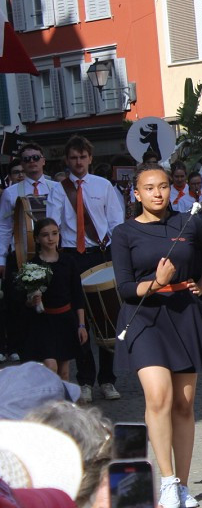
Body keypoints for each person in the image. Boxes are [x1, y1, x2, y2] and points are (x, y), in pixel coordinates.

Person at [112, 162, 202, 508]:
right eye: (149, 188)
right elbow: (123, 288)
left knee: (183, 404)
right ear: (136, 194)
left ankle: (182, 484)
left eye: (163, 186)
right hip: (144, 318)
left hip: (184, 315)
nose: (157, 193)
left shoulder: (187, 222)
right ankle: (166, 481)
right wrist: (156, 283)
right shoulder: (124, 233)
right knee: (159, 397)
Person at [46, 136, 125, 404]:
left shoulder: (104, 186)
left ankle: (107, 379)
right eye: (73, 158)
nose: (78, 162)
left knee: (106, 319)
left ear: (90, 158)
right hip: (70, 258)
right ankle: (85, 380)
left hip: (100, 255)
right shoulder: (59, 189)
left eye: (82, 157)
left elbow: (116, 223)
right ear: (66, 160)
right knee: (78, 323)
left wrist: (117, 258)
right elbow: (53, 224)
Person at [0, 143, 59, 364]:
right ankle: (29, 359)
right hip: (22, 257)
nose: (32, 162)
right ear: (22, 165)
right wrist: (1, 259)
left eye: (36, 157)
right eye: (27, 159)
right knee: (23, 312)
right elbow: (4, 228)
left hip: (52, 255)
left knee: (53, 308)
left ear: (43, 160)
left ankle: (54, 357)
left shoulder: (56, 188)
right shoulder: (10, 193)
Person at [19, 219, 85, 381]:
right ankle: (51, 402)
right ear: (37, 239)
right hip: (44, 321)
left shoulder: (68, 261)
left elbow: (77, 295)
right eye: (45, 235)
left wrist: (81, 325)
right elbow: (25, 301)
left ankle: (63, 405)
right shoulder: (33, 265)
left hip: (65, 320)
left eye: (54, 234)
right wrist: (33, 300)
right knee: (50, 366)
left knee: (64, 372)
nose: (50, 238)